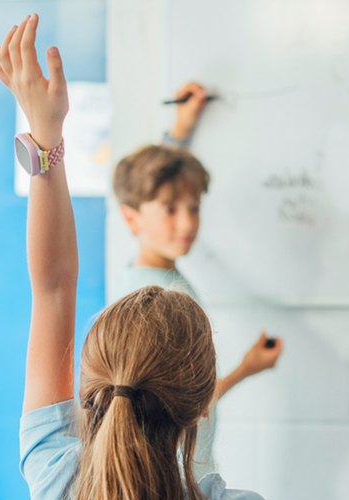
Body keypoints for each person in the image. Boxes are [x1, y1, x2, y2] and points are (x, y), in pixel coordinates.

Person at [0, 16, 349, 500]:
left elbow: (52, 287)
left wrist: (45, 138)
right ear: (201, 403)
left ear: (95, 379)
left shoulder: (54, 482)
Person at [113, 80, 281, 477]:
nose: (187, 223)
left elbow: (153, 185)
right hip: (176, 480)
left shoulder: (144, 270)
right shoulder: (157, 297)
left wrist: (180, 133)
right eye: (170, 210)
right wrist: (246, 368)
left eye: (194, 207)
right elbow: (184, 405)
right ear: (131, 217)